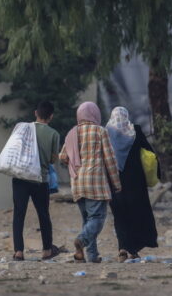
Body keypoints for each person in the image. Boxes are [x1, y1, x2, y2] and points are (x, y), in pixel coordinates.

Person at [59, 102, 122, 263]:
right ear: (95, 114)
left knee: (88, 220)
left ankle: (91, 256)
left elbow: (62, 156)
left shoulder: (73, 132)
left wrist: (74, 159)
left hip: (78, 183)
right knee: (97, 219)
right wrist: (116, 183)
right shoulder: (100, 131)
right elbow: (110, 159)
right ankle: (81, 240)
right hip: (95, 183)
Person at [106, 107, 158, 262]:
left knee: (119, 215)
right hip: (135, 181)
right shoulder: (135, 130)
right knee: (135, 214)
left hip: (113, 179)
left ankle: (123, 248)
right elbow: (149, 151)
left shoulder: (106, 131)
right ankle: (133, 250)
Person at [12, 102, 62, 261]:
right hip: (40, 179)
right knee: (43, 214)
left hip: (20, 177)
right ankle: (47, 250)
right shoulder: (54, 134)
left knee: (19, 214)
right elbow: (53, 159)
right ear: (51, 116)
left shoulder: (23, 129)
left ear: (35, 113)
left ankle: (18, 251)